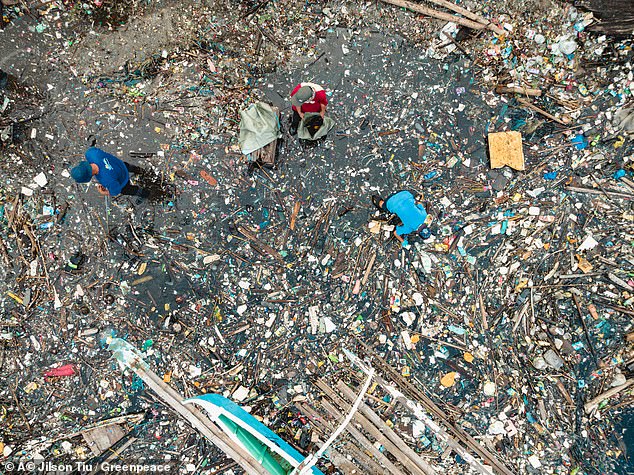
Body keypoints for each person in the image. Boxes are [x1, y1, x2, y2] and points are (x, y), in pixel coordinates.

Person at [70, 147, 149, 199]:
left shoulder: (106, 180)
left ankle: (146, 194)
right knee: (131, 167)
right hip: (120, 164)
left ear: (89, 176)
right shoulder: (91, 153)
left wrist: (104, 192)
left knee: (130, 190)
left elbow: (116, 191)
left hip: (123, 181)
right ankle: (141, 171)